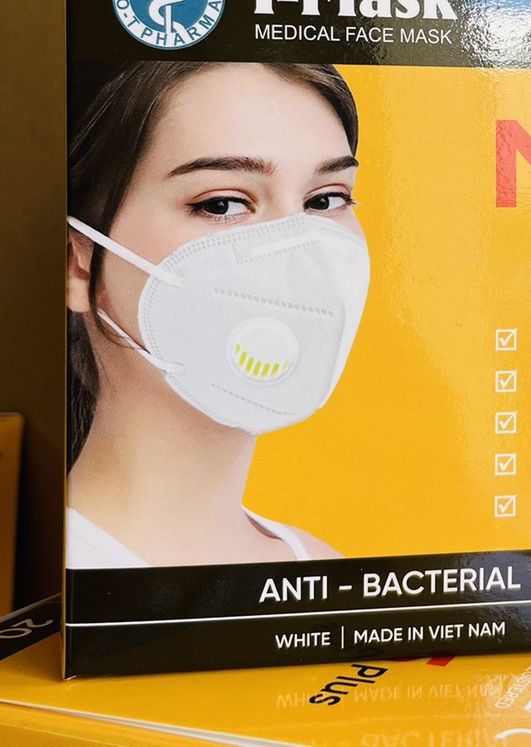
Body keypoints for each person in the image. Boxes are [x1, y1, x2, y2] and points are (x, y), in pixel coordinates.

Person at [66, 61, 369, 568]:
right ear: (77, 262)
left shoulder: (322, 571)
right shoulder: (55, 576)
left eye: (325, 199)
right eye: (223, 204)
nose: (298, 253)